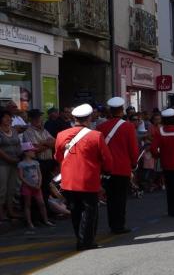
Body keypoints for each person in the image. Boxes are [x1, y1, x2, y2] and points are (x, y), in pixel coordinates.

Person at [55, 104, 113, 250]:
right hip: (88, 180)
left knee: (75, 211)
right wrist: (107, 171)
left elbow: (57, 156)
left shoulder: (61, 135)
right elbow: (106, 159)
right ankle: (86, 241)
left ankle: (80, 239)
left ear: (74, 118)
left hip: (68, 180)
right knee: (89, 211)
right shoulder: (96, 135)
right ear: (88, 118)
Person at [97, 97, 139, 232]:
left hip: (106, 169)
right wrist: (134, 163)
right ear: (121, 110)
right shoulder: (128, 126)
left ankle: (112, 224)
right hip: (122, 167)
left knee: (110, 198)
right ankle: (119, 225)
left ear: (110, 110)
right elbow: (133, 148)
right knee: (120, 198)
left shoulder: (101, 127)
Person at [18, 142, 54, 229]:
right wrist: (30, 184)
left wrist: (39, 183)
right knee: (28, 204)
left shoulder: (36, 162)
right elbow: (21, 177)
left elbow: (39, 174)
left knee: (41, 203)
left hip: (37, 186)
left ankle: (45, 220)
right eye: (32, 151)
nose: (34, 153)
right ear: (26, 152)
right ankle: (29, 222)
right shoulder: (21, 164)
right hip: (27, 187)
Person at [0, 109, 22, 221]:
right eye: (5, 117)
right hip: (3, 164)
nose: (8, 119)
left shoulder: (13, 130)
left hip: (15, 163)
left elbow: (18, 144)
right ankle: (1, 213)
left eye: (9, 117)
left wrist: (19, 156)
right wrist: (9, 159)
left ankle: (10, 211)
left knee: (12, 188)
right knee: (2, 189)